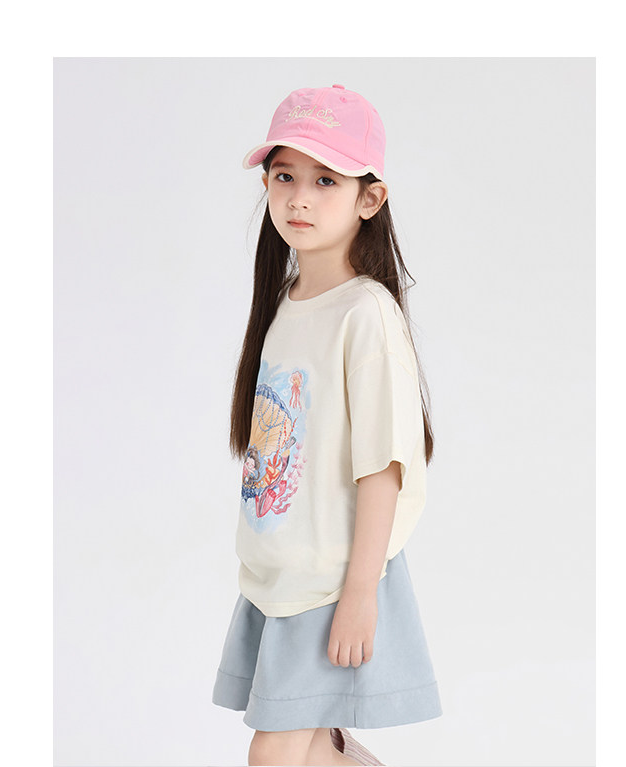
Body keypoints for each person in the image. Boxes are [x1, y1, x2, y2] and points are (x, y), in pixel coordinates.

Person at [212, 84, 442, 767]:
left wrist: (360, 595)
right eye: (285, 176)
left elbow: (383, 467)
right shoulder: (286, 304)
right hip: (279, 579)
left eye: (325, 180)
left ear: (369, 199)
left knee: (276, 752)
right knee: (313, 750)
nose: (300, 198)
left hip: (330, 582)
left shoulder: (364, 314)